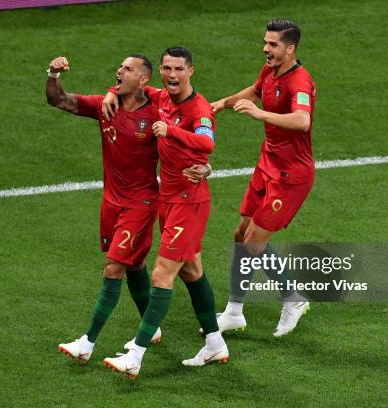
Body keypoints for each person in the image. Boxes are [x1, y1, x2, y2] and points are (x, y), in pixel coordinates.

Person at [46, 54, 210, 363]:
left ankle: (87, 343)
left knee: (114, 268)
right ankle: (157, 327)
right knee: (134, 265)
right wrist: (53, 75)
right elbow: (59, 100)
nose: (119, 71)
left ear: (144, 80)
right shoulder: (106, 104)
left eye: (127, 69)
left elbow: (188, 124)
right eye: (119, 67)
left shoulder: (160, 107)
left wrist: (204, 167)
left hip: (142, 203)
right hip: (111, 202)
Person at [101, 47, 229, 378]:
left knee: (162, 273)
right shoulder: (161, 97)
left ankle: (137, 355)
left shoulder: (198, 109)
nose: (172, 75)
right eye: (167, 69)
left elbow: (207, 144)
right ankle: (215, 344)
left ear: (191, 72)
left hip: (190, 202)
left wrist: (171, 132)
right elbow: (132, 85)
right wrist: (110, 94)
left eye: (179, 70)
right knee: (191, 271)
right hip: (168, 199)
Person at [210, 19, 316, 337]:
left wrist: (260, 114)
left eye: (272, 45)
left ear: (290, 48)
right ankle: (233, 312)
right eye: (265, 43)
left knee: (255, 242)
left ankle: (293, 300)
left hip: (291, 176)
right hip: (267, 164)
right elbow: (256, 91)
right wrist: (224, 103)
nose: (266, 49)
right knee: (241, 233)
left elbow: (301, 120)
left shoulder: (300, 81)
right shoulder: (270, 70)